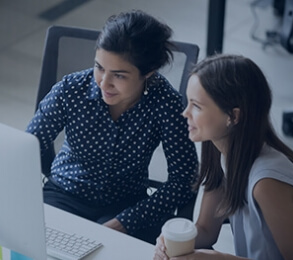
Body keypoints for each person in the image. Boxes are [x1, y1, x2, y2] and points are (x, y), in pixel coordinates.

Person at [26, 10, 198, 244]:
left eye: (119, 75)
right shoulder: (71, 89)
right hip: (65, 193)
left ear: (148, 72)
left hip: (127, 204)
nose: (104, 83)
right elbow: (27, 148)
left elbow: (185, 178)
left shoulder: (165, 103)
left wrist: (128, 221)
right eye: (99, 67)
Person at [154, 54, 293, 259]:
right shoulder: (218, 150)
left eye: (196, 106)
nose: (185, 113)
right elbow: (205, 230)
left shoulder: (267, 183)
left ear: (233, 116)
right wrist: (168, 242)